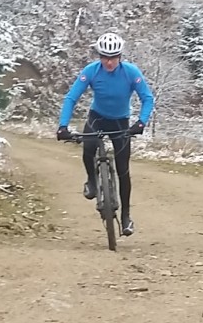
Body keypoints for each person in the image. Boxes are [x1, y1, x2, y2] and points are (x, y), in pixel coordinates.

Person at [56, 33, 155, 236]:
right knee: (89, 146)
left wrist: (141, 122)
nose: (109, 62)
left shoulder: (130, 72)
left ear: (120, 56)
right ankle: (92, 181)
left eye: (113, 57)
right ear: (99, 56)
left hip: (120, 121)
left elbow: (147, 98)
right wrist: (63, 126)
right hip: (97, 118)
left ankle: (126, 217)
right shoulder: (91, 71)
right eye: (105, 57)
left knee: (123, 170)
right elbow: (71, 97)